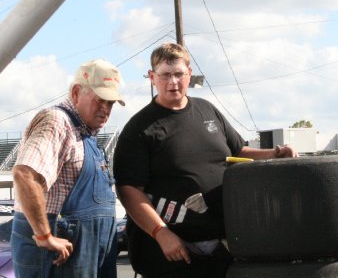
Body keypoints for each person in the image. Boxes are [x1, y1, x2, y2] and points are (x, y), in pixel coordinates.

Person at [113, 42, 298, 278]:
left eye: (179, 74)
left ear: (190, 74)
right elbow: (128, 191)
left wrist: (275, 153)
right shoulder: (140, 128)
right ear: (152, 77)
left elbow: (238, 151)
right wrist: (161, 233)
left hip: (221, 246)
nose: (173, 82)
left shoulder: (207, 110)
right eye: (165, 75)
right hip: (173, 252)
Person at [11, 59, 125, 278]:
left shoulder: (85, 132)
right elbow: (25, 175)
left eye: (111, 103)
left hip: (87, 256)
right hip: (56, 258)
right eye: (100, 100)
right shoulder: (56, 122)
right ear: (75, 92)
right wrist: (44, 235)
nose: (105, 109)